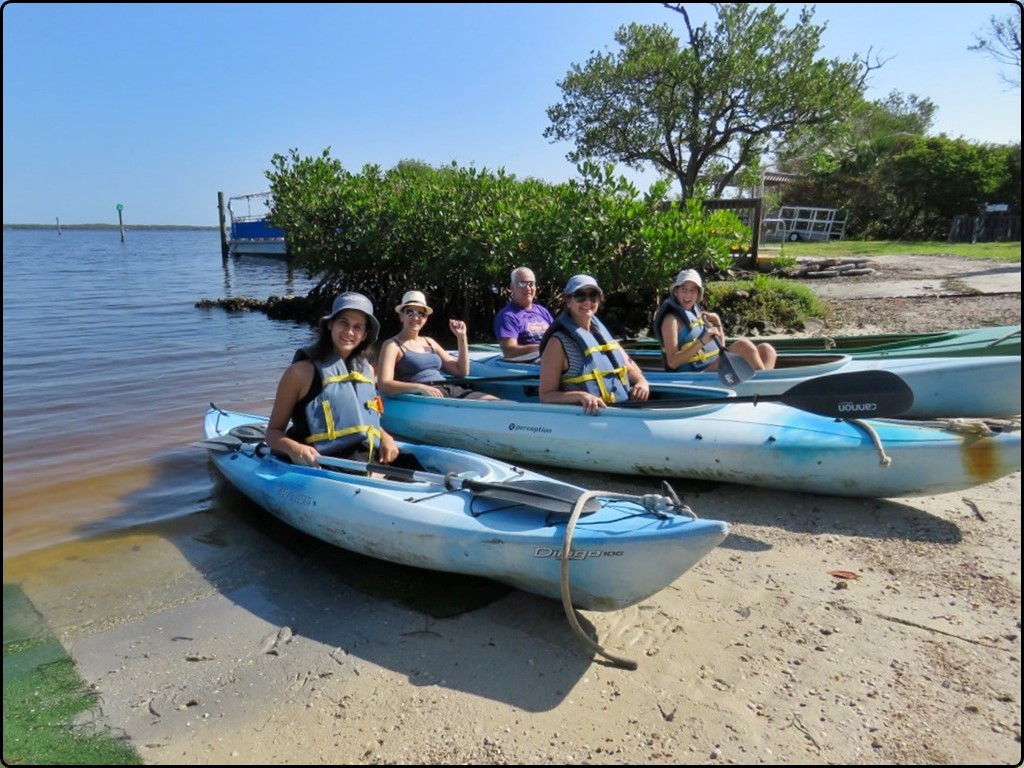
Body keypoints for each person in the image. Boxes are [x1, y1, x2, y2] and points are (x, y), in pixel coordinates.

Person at [266, 291, 401, 468]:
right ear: (330, 324)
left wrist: (385, 436)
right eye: (343, 323)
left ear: (365, 334)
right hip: (320, 463)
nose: (349, 332)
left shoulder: (366, 370)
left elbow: (363, 418)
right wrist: (294, 448)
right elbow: (272, 433)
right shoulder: (300, 373)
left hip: (363, 458)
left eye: (357, 327)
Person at [538, 274, 650, 414]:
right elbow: (546, 395)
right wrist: (581, 396)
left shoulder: (603, 336)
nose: (587, 302)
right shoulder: (557, 343)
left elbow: (631, 369)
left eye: (593, 296)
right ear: (568, 300)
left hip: (621, 412)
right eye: (580, 295)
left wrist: (642, 382)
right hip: (586, 418)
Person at [377, 290, 499, 400]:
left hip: (449, 389)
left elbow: (461, 371)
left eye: (421, 314)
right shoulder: (392, 345)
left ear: (426, 318)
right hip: (425, 397)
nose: (416, 317)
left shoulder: (430, 342)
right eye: (410, 312)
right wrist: (419, 388)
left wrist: (461, 337)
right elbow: (384, 384)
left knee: (496, 402)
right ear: (401, 316)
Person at [652, 269, 778, 373]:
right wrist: (702, 342)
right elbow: (672, 363)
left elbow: (721, 350)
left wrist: (718, 323)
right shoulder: (671, 321)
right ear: (676, 291)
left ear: (698, 294)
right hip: (696, 375)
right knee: (744, 346)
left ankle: (762, 383)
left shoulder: (696, 313)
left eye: (692, 290)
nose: (687, 295)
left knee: (767, 350)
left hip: (713, 367)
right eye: (684, 289)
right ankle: (763, 384)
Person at [492, 266, 554, 359]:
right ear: (512, 287)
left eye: (531, 283)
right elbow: (510, 351)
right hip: (529, 365)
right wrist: (542, 348)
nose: (528, 288)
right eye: (522, 283)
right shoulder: (507, 316)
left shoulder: (543, 312)